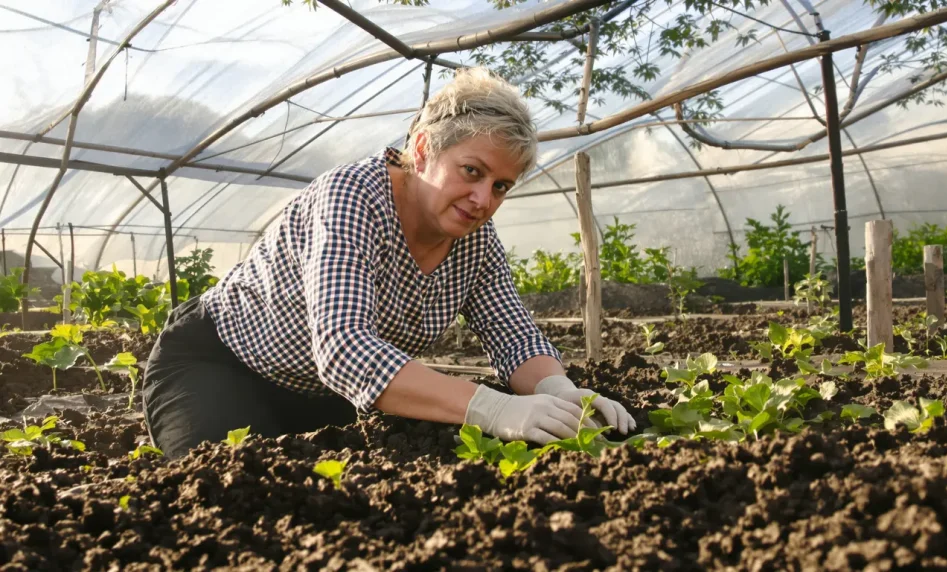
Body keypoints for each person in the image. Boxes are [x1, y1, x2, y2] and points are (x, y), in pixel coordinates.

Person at [142, 67, 635, 459]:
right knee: (230, 488)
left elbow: (512, 333)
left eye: (500, 186)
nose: (483, 199)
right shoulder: (352, 197)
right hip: (222, 365)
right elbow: (343, 348)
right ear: (422, 149)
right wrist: (492, 407)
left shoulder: (475, 241)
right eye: (472, 171)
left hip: (325, 395)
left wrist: (560, 390)